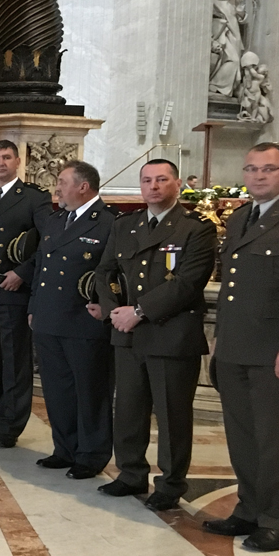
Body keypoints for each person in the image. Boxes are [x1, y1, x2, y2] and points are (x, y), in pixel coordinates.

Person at [94, 159, 216, 511]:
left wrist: (138, 312)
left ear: (177, 184)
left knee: (172, 415)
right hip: (128, 334)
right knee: (128, 409)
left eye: (162, 180)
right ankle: (130, 473)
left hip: (171, 335)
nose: (153, 186)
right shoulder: (125, 225)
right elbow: (105, 271)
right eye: (147, 180)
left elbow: (187, 283)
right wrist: (113, 310)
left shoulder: (195, 228)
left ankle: (170, 483)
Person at [209, 144, 279, 551]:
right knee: (241, 436)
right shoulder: (241, 217)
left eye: (268, 169)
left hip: (272, 350)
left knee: (275, 440)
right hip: (235, 346)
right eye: (252, 169)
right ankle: (249, 509)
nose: (258, 176)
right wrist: (219, 340)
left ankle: (277, 518)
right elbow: (231, 289)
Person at [17, 161, 115, 478]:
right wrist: (34, 306)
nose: (56, 188)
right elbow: (41, 266)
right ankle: (65, 448)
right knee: (57, 389)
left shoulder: (108, 222)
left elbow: (114, 273)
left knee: (90, 391)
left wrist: (106, 305)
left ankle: (91, 454)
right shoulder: (56, 219)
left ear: (83, 186)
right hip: (49, 316)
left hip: (83, 320)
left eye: (62, 182)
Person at [0, 140, 51, 447]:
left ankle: (9, 425)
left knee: (14, 362)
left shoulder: (33, 198)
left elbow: (48, 242)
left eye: (6, 157)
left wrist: (23, 273)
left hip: (12, 291)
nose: (0, 163)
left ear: (18, 161)